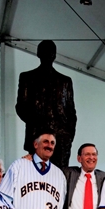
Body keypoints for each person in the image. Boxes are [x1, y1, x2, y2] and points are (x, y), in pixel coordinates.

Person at [16, 40, 77, 168]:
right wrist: (39, 124)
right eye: (45, 51)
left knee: (60, 176)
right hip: (36, 135)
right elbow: (21, 107)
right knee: (36, 173)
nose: (48, 54)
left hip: (61, 139)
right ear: (38, 54)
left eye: (51, 51)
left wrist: (68, 135)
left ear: (55, 55)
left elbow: (71, 111)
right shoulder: (27, 77)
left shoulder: (65, 81)